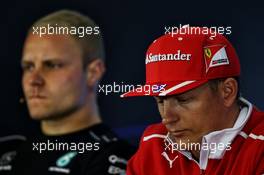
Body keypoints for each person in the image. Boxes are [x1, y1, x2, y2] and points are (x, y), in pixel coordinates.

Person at [1, 9, 135, 175]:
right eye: (28, 67)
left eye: (52, 65)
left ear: (93, 73)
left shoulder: (116, 159)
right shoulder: (8, 151)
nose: (33, 80)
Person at [121, 26, 264, 174]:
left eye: (183, 100)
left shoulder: (259, 146)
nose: (167, 118)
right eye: (160, 101)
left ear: (227, 92)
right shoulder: (154, 142)